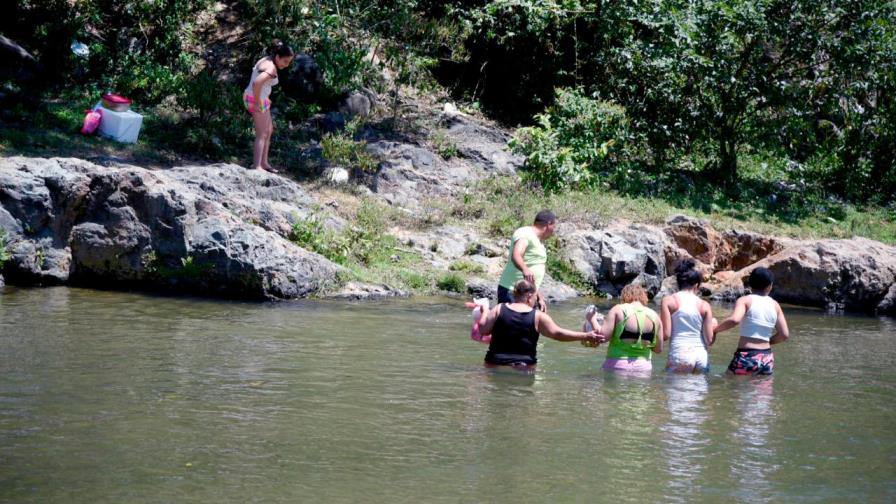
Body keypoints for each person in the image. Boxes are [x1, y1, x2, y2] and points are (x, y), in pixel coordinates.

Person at [476, 280, 603, 371]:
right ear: (529, 296)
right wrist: (586, 335)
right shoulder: (538, 316)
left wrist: (485, 311)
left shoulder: (499, 309)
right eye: (536, 298)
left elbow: (483, 330)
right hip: (523, 368)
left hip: (494, 364)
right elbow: (558, 334)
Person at [714, 267, 790, 376]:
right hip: (766, 357)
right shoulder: (775, 305)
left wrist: (715, 329)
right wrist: (768, 342)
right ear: (770, 286)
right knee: (762, 391)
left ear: (749, 284)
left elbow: (734, 320)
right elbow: (784, 335)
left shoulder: (745, 300)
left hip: (747, 355)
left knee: (729, 384)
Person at [243, 39, 295, 173]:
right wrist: (257, 102)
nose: (287, 65)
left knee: (269, 131)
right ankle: (256, 166)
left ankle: (264, 163)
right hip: (255, 98)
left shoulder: (267, 59)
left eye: (289, 62)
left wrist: (265, 98)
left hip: (259, 97)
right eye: (285, 61)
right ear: (278, 57)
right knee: (262, 134)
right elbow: (257, 83)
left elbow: (261, 84)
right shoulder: (271, 68)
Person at [661, 259, 717, 373]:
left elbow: (665, 335)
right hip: (701, 356)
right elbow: (709, 340)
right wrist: (715, 328)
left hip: (680, 353)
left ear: (678, 283)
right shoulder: (704, 305)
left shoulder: (669, 301)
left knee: (676, 389)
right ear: (696, 285)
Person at [496, 210, 557, 311]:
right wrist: (525, 269)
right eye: (554, 226)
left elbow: (531, 276)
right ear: (549, 224)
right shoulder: (525, 233)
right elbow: (516, 255)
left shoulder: (538, 241)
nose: (554, 231)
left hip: (528, 294)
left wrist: (538, 296)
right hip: (513, 292)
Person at [598, 284, 663, 374]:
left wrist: (592, 319)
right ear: (643, 297)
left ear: (624, 295)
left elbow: (602, 337)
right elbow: (658, 349)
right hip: (643, 369)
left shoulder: (618, 310)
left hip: (617, 365)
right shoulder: (655, 316)